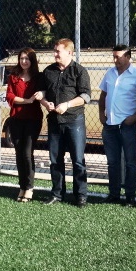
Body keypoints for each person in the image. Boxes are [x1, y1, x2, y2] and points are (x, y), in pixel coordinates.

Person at [39, 38, 91, 207]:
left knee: (78, 160)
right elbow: (42, 93)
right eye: (54, 51)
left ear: (69, 52)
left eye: (58, 51)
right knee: (55, 160)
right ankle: (57, 193)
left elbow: (85, 97)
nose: (55, 54)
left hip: (74, 121)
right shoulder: (48, 71)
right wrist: (46, 103)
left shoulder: (79, 71)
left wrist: (67, 105)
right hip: (54, 121)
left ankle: (81, 195)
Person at [98, 45, 136, 206]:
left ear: (128, 57)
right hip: (110, 125)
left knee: (130, 162)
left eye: (118, 56)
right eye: (114, 56)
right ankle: (114, 194)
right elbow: (103, 95)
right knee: (112, 162)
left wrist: (134, 117)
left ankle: (130, 196)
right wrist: (101, 114)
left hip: (127, 126)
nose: (115, 60)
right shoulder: (110, 73)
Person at [5, 47, 43, 203]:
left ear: (32, 60)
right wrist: (27, 101)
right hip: (16, 119)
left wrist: (40, 97)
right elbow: (10, 96)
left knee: (27, 153)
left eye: (27, 58)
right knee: (19, 153)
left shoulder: (38, 77)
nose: (24, 61)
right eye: (21, 58)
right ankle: (22, 187)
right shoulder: (13, 77)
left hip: (33, 119)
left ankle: (29, 188)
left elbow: (42, 93)